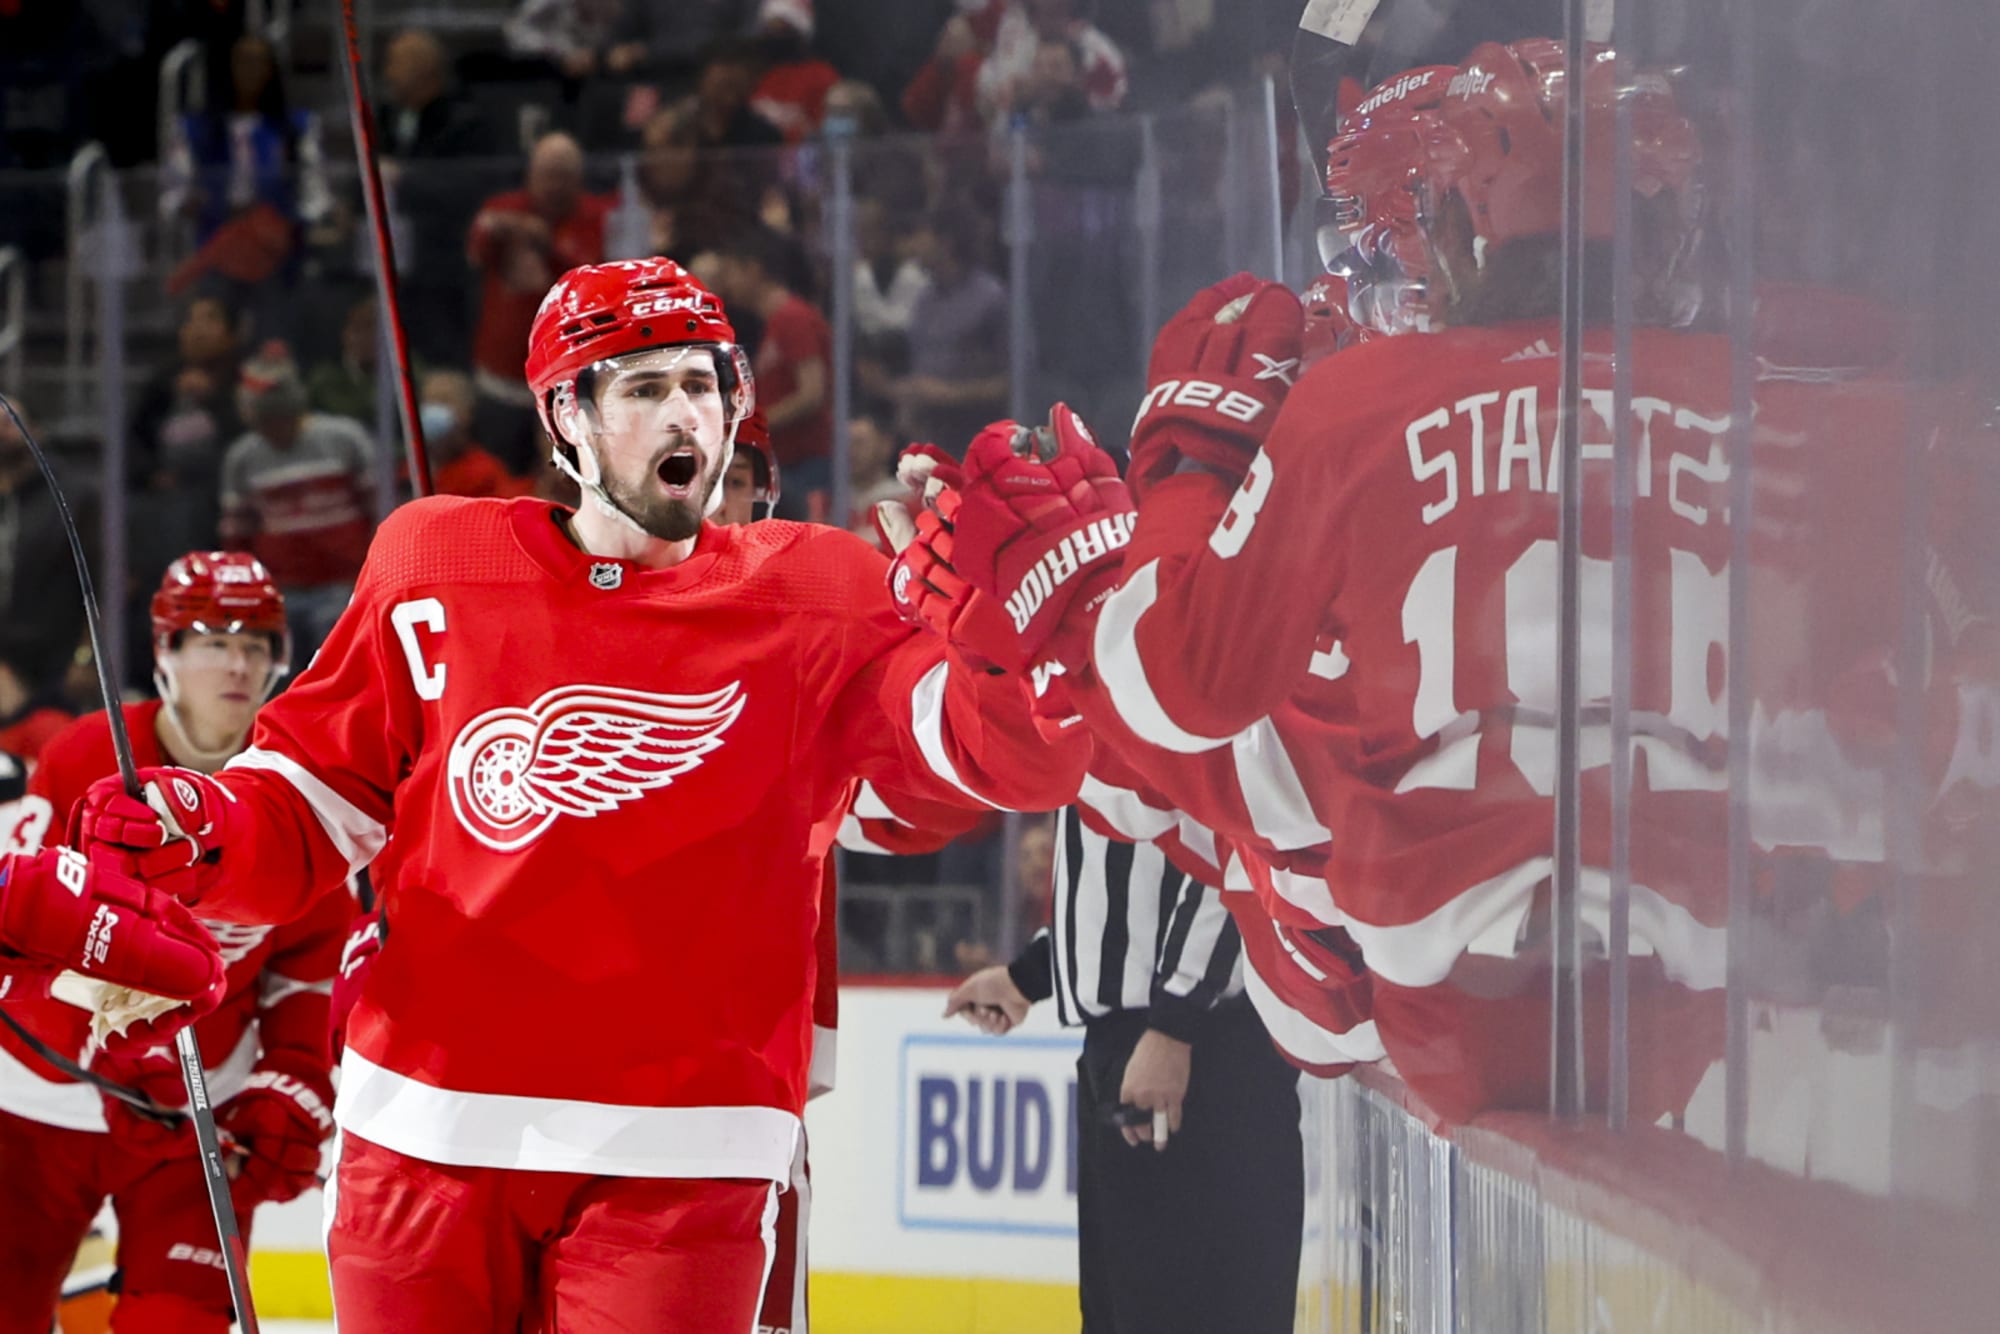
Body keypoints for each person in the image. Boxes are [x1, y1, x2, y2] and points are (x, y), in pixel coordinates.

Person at [73, 256, 1086, 1330]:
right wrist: (202, 827)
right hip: (421, 1133)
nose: (684, 413)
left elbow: (993, 765)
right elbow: (309, 803)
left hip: (684, 1154)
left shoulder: (822, 594)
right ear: (567, 417)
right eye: (644, 388)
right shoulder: (432, 562)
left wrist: (1016, 646)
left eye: (701, 385)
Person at [916, 43, 1756, 1121]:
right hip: (1709, 1015)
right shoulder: (1756, 405)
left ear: (1450, 231)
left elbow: (1176, 699)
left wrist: (1185, 471)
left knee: (1286, 796)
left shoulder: (1361, 407)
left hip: (1437, 1005)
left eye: (1382, 238)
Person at [0, 552, 348, 1334]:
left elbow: (310, 966)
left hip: (197, 1114)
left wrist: (292, 1078)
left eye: (255, 644)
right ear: (166, 653)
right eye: (213, 641)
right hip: (34, 1099)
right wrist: (118, 1052)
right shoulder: (83, 754)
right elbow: (25, 935)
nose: (237, 664)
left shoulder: (301, 784)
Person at [946, 805, 1302, 1334]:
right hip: (1138, 1043)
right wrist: (1030, 975)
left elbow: (1236, 849)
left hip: (1199, 1052)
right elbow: (1124, 878)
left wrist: (1176, 1022)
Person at [219, 344, 378, 667]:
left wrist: (372, 573)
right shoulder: (243, 458)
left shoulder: (344, 439)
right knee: (280, 670)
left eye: (280, 420)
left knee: (336, 665)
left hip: (343, 582)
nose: (274, 431)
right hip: (282, 589)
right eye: (264, 423)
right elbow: (237, 535)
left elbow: (380, 509)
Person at [469, 132, 612, 474]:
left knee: (565, 480)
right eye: (547, 174)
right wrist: (507, 227)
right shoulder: (504, 209)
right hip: (502, 381)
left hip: (570, 385)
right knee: (500, 477)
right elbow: (476, 248)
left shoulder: (597, 217)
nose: (554, 185)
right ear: (531, 173)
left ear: (578, 178)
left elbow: (597, 276)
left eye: (563, 175)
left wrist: (548, 246)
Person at [712, 228, 833, 520]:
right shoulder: (776, 322)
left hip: (806, 460)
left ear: (753, 270)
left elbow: (812, 392)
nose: (727, 283)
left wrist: (752, 427)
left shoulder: (794, 318)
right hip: (789, 460)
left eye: (731, 271)